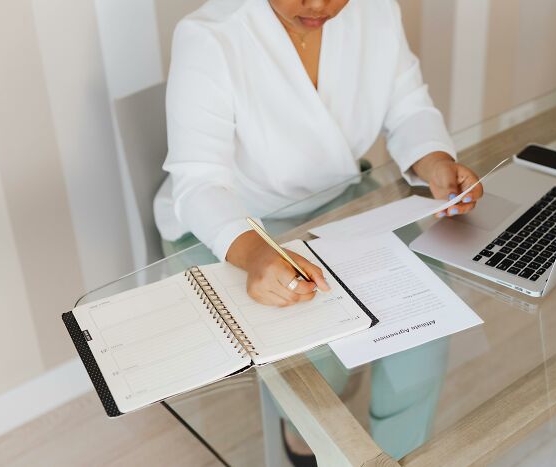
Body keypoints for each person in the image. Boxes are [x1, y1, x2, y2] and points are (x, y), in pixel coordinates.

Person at [154, 0, 484, 463]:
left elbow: (409, 110)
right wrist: (254, 254)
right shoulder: (210, 36)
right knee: (315, 355)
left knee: (427, 312)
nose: (318, 5)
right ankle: (305, 437)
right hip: (233, 226)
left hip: (342, 203)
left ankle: (401, 454)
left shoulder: (377, 11)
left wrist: (436, 162)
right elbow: (199, 182)